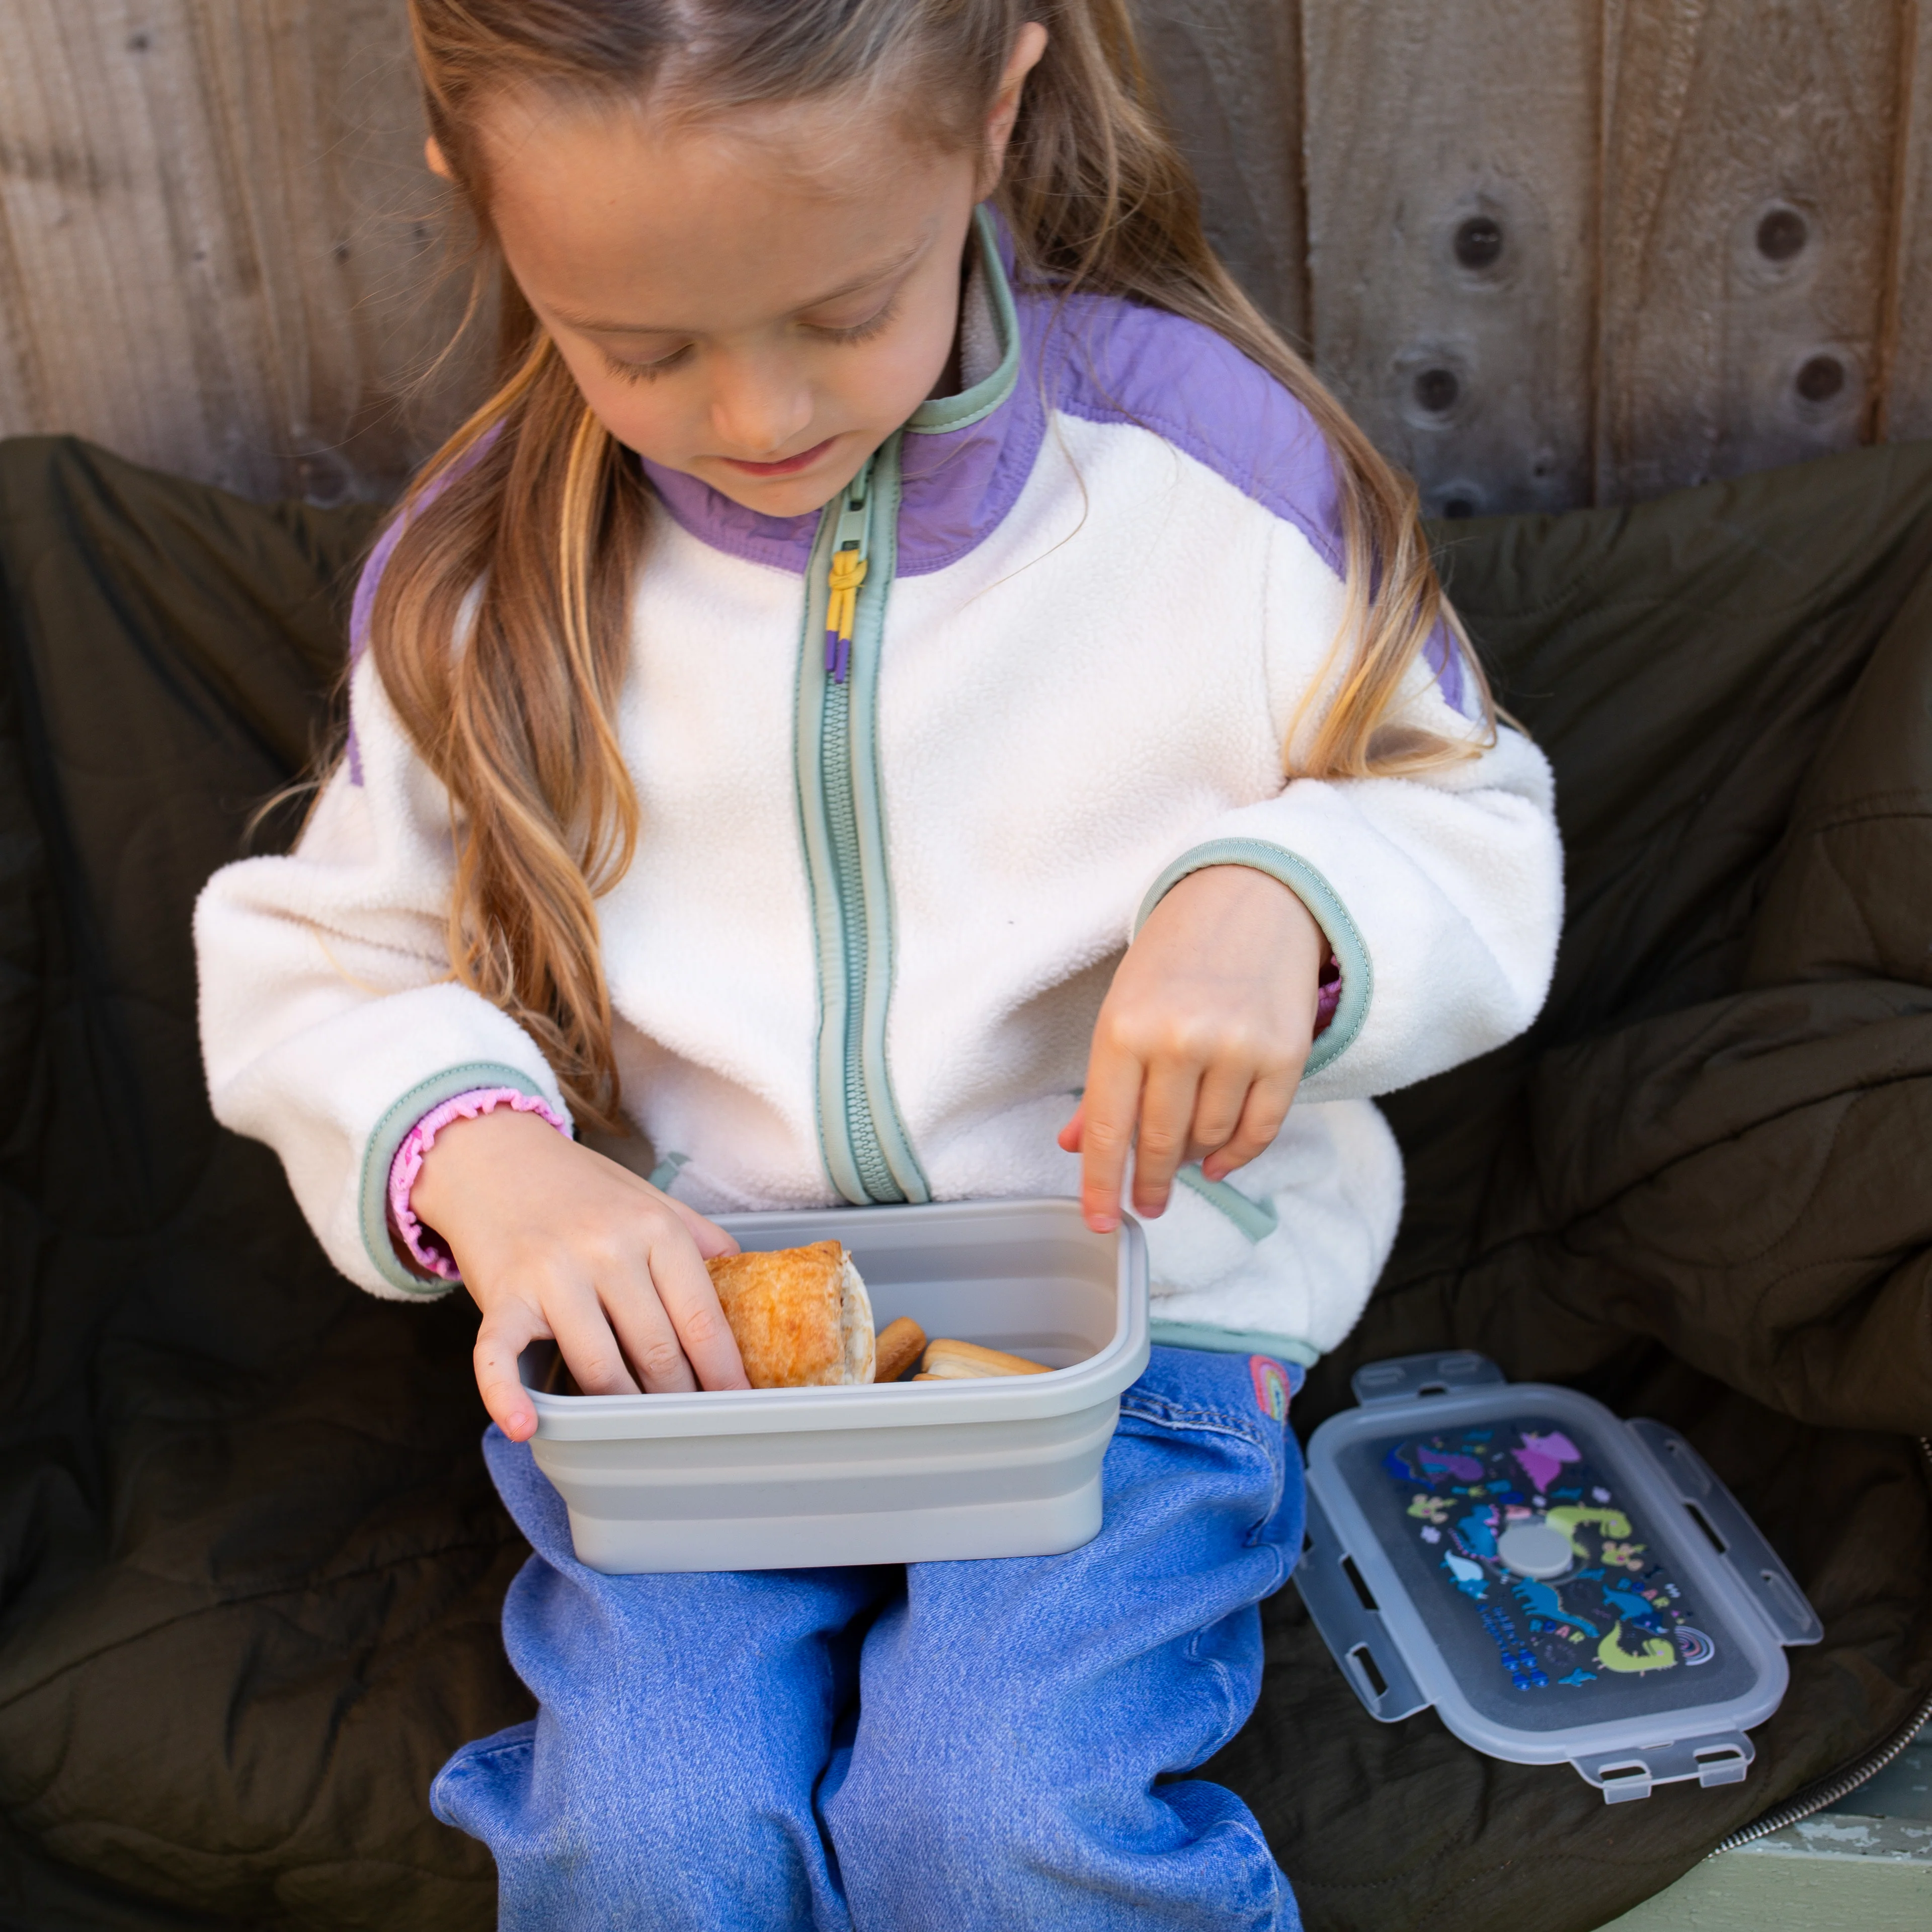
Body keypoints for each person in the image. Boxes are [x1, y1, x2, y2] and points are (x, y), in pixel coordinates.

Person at [195, 2, 1562, 1924]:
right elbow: (317, 955)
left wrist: (1292, 898)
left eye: (847, 309)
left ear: (996, 108)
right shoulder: (483, 571)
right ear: (482, 202)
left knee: (995, 1816)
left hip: (1135, 1342)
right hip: (693, 1370)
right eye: (641, 348)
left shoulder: (1211, 476)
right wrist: (481, 1160)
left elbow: (1474, 823)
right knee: (651, 1834)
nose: (759, 422)